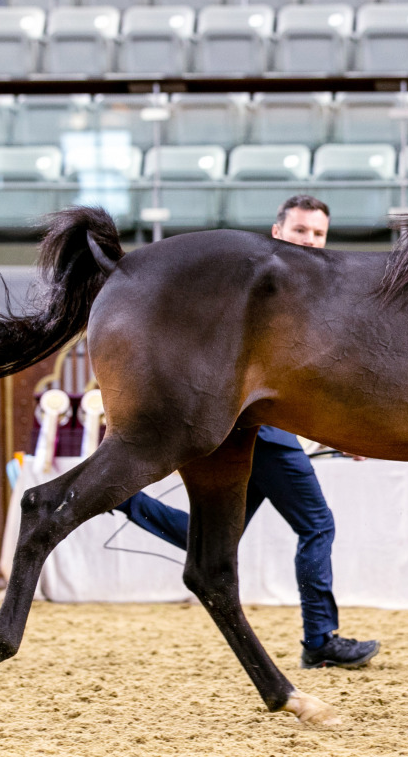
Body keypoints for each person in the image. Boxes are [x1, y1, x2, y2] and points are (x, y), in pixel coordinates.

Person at [113, 195, 380, 670]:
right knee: (317, 525)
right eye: (301, 231)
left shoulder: (298, 292)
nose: (310, 242)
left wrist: (340, 431)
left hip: (262, 428)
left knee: (214, 537)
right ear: (278, 232)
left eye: (318, 234)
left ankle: (124, 498)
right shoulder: (268, 289)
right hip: (265, 427)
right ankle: (320, 639)